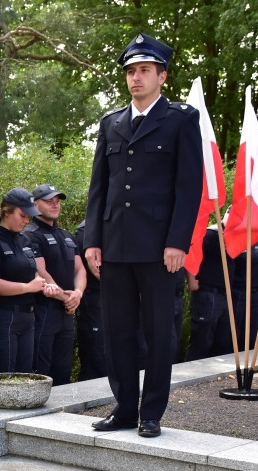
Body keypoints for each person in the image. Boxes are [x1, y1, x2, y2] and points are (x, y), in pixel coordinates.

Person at [83, 33, 203, 438]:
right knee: (116, 330)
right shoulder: (110, 123)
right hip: (114, 245)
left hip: (158, 248)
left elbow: (189, 188)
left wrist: (177, 242)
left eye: (145, 71)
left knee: (157, 331)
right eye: (131, 71)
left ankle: (151, 412)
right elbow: (99, 188)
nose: (136, 78)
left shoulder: (181, 120)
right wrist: (92, 241)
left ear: (162, 76)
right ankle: (124, 408)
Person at [0, 188, 54, 373]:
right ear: (7, 212)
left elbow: (31, 272)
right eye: (22, 215)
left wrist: (42, 284)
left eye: (28, 217)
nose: (26, 221)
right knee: (6, 375)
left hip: (28, 316)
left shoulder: (24, 240)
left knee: (25, 374)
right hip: (5, 316)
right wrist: (28, 287)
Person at [25, 184, 87, 385]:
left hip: (67, 311)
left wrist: (77, 293)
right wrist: (65, 297)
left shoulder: (66, 235)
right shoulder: (30, 234)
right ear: (35, 204)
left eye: (57, 201)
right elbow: (40, 271)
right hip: (45, 309)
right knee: (42, 369)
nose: (55, 204)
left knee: (63, 367)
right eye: (49, 200)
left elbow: (80, 269)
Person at [185, 222, 235, 360]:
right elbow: (190, 249)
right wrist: (191, 279)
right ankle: (190, 375)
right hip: (207, 293)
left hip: (224, 294)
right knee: (202, 341)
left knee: (222, 342)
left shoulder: (234, 237)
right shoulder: (212, 234)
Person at [73, 220, 106, 380]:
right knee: (96, 354)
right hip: (95, 296)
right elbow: (99, 270)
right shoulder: (86, 230)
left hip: (115, 298)